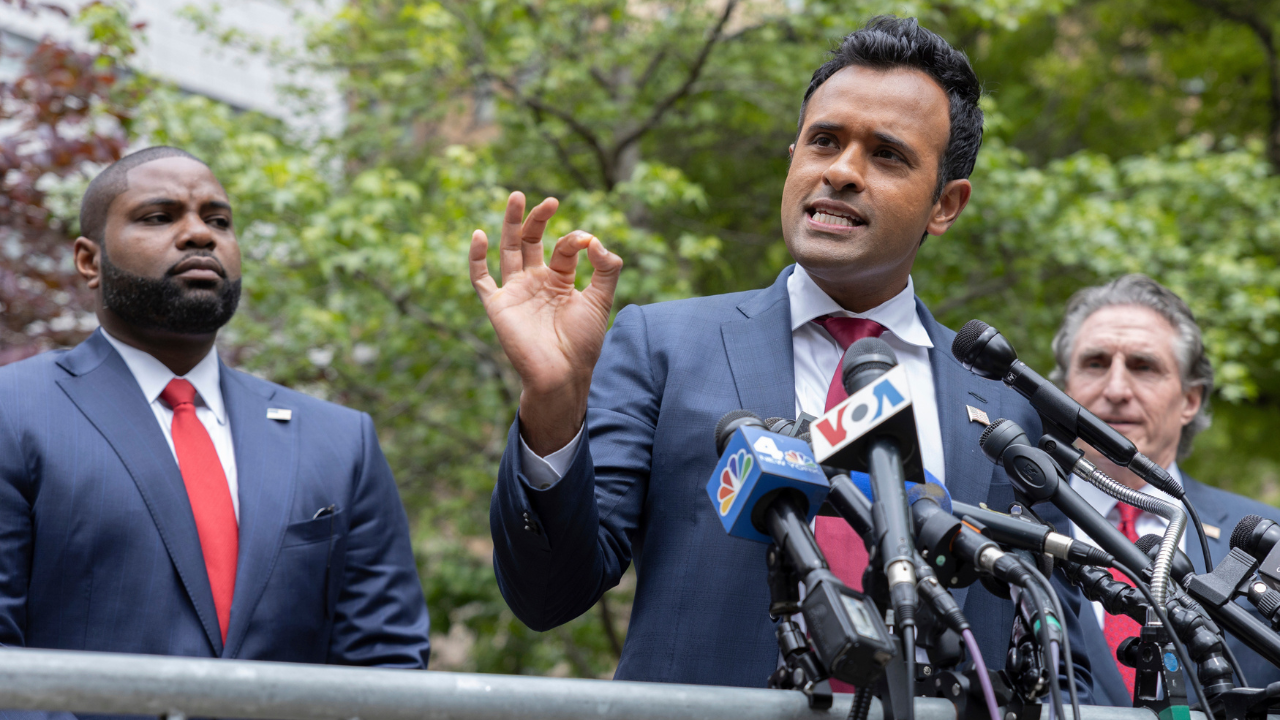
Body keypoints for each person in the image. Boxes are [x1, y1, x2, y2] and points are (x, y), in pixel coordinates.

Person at [470, 16, 1096, 696]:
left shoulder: (1003, 404)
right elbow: (548, 596)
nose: (841, 172)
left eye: (887, 155)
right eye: (823, 141)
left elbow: (1062, 659)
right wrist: (553, 403)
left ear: (945, 205)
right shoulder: (665, 346)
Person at [0, 147, 431, 670]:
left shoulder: (341, 441)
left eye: (218, 221)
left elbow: (384, 660)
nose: (199, 235)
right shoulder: (16, 410)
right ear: (90, 261)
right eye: (158, 217)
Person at [1052, 273, 1280, 705]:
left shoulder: (1266, 540)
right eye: (1095, 364)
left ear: (1190, 400)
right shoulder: (1007, 524)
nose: (1116, 390)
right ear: (1065, 390)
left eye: (1144, 367)